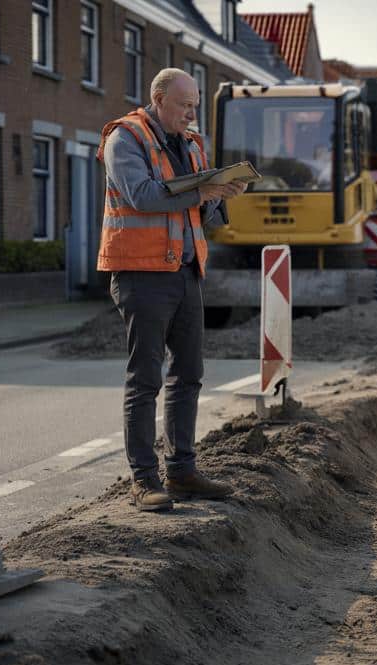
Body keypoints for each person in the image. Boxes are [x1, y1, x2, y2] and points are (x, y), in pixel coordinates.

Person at [96, 68, 247, 512]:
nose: (192, 112)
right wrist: (204, 193)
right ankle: (144, 480)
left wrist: (222, 193)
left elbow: (201, 211)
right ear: (159, 99)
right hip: (140, 274)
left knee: (189, 374)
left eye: (195, 104)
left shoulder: (194, 144)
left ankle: (181, 471)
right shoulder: (125, 139)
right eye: (185, 105)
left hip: (185, 273)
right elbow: (143, 196)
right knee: (145, 379)